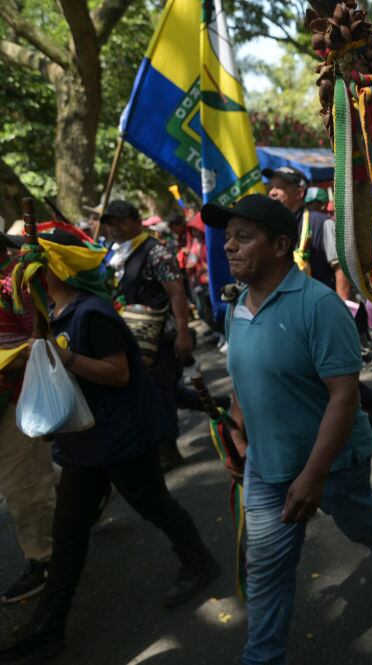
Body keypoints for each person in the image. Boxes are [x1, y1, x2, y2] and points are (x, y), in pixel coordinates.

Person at [201, 194, 372, 665]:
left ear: (281, 245)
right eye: (229, 238)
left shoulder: (319, 306)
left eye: (245, 237)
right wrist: (238, 430)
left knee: (362, 523)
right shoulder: (237, 306)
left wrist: (314, 474)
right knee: (266, 571)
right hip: (266, 470)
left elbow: (343, 397)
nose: (229, 247)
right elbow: (242, 376)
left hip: (333, 465)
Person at [0, 223, 217, 662]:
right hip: (83, 445)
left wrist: (65, 358)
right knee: (68, 531)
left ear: (55, 271)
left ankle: (199, 560)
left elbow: (118, 374)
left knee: (154, 504)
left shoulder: (91, 313)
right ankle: (50, 624)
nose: (24, 274)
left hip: (120, 439)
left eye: (33, 266)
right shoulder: (56, 315)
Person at [264, 166, 372, 434]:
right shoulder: (274, 229)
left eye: (279, 187)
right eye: (270, 187)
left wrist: (342, 313)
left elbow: (339, 268)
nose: (272, 192)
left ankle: (367, 406)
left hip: (323, 314)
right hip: (291, 319)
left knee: (331, 374)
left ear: (300, 192)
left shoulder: (321, 224)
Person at [101, 200, 194, 472]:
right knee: (156, 390)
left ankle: (168, 448)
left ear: (136, 221)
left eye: (121, 221)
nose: (115, 227)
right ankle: (216, 405)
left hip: (158, 336)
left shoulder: (156, 251)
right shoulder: (110, 252)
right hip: (127, 335)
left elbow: (176, 292)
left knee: (161, 390)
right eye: (110, 222)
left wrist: (183, 333)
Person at [0, 229, 57, 605]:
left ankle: (46, 560)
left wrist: (12, 357)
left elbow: (43, 342)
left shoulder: (14, 286)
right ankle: (92, 485)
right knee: (32, 478)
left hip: (14, 400)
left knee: (23, 488)